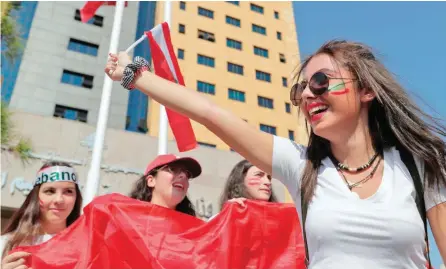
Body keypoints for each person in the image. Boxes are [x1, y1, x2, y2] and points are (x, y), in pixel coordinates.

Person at [105, 39, 446, 268]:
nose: (308, 96)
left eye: (321, 82)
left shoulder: (420, 164)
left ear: (367, 89)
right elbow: (210, 113)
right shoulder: (299, 166)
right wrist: (134, 75)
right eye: (302, 89)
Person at [1, 161, 83, 269]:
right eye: (50, 191)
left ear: (76, 198)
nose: (59, 199)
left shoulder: (86, 247)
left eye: (68, 191)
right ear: (36, 196)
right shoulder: (5, 243)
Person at [129, 154, 202, 216]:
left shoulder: (194, 230)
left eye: (187, 174)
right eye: (173, 169)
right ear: (151, 181)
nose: (183, 175)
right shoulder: (126, 220)